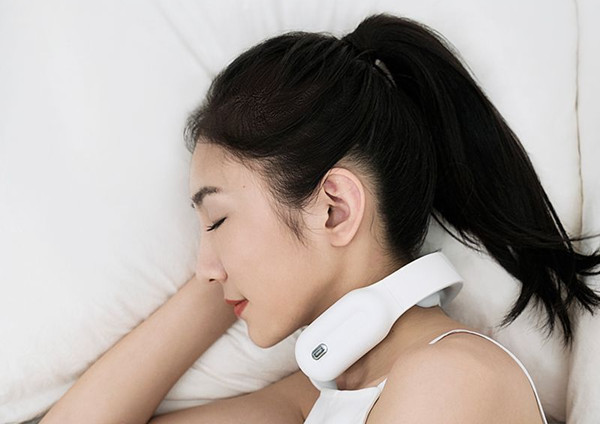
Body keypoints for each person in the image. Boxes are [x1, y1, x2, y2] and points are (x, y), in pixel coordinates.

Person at [40, 12, 600, 424]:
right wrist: (234, 273)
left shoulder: (452, 380)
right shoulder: (320, 399)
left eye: (217, 221)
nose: (203, 267)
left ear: (335, 209)